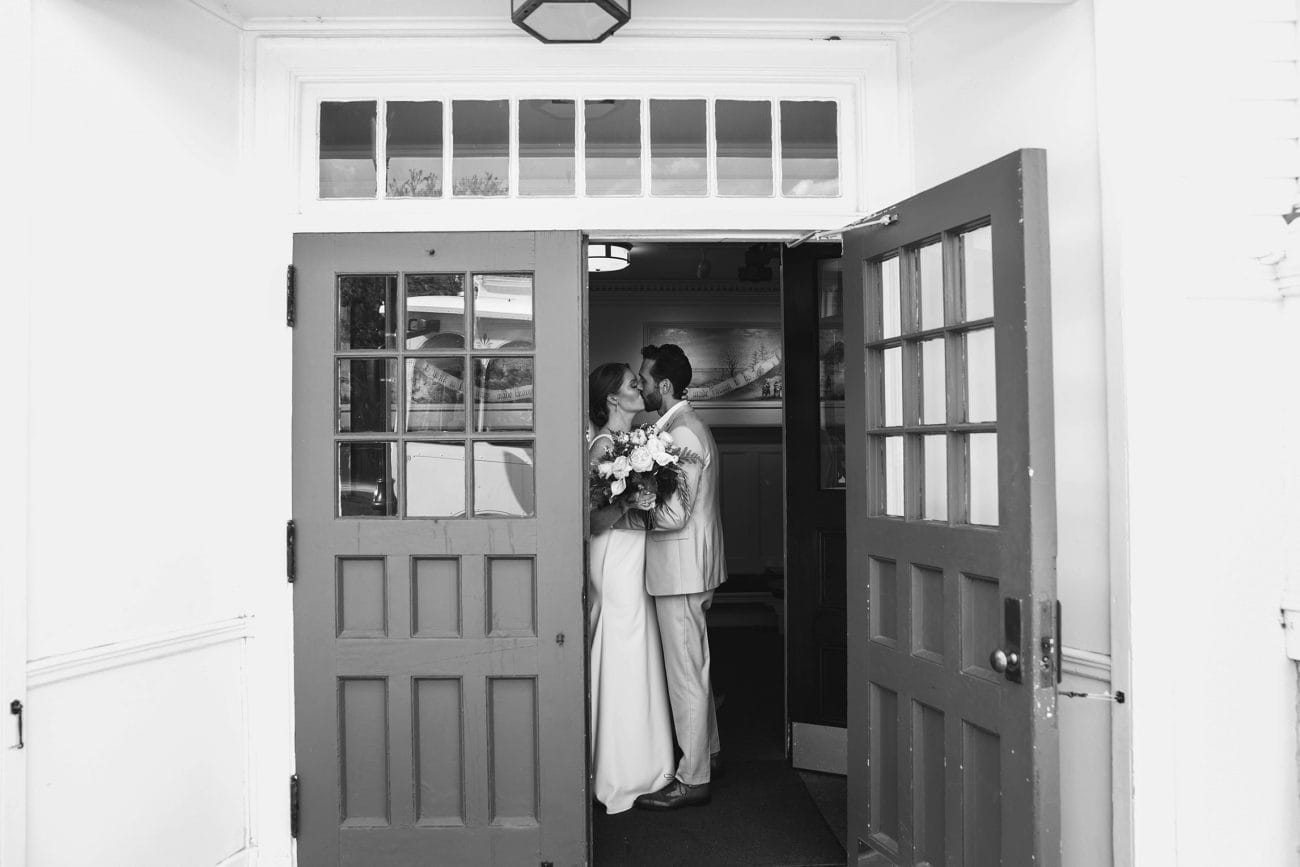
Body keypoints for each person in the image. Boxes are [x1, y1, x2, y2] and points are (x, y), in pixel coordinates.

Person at [632, 344, 727, 810]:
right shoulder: (675, 428)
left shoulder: (684, 434)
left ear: (664, 386)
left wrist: (631, 512)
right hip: (689, 568)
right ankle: (707, 753)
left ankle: (692, 779)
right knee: (696, 666)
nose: (642, 387)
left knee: (684, 673)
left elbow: (673, 515)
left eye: (645, 381)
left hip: (682, 569)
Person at [586, 362, 675, 814]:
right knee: (623, 647)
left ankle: (647, 759)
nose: (639, 387)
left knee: (639, 649)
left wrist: (642, 497)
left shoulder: (635, 440)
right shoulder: (602, 445)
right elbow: (591, 518)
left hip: (634, 552)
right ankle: (619, 768)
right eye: (631, 384)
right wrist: (628, 504)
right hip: (615, 559)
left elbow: (634, 505)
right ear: (611, 399)